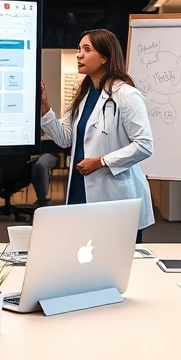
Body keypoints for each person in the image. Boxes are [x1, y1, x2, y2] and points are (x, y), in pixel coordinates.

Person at [39, 29, 155, 242]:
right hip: (79, 190)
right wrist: (45, 106)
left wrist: (101, 162)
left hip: (115, 195)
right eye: (79, 49)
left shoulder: (126, 95)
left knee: (117, 264)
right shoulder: (84, 95)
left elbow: (145, 145)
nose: (79, 55)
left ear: (104, 57)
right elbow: (64, 138)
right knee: (81, 260)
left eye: (87, 49)